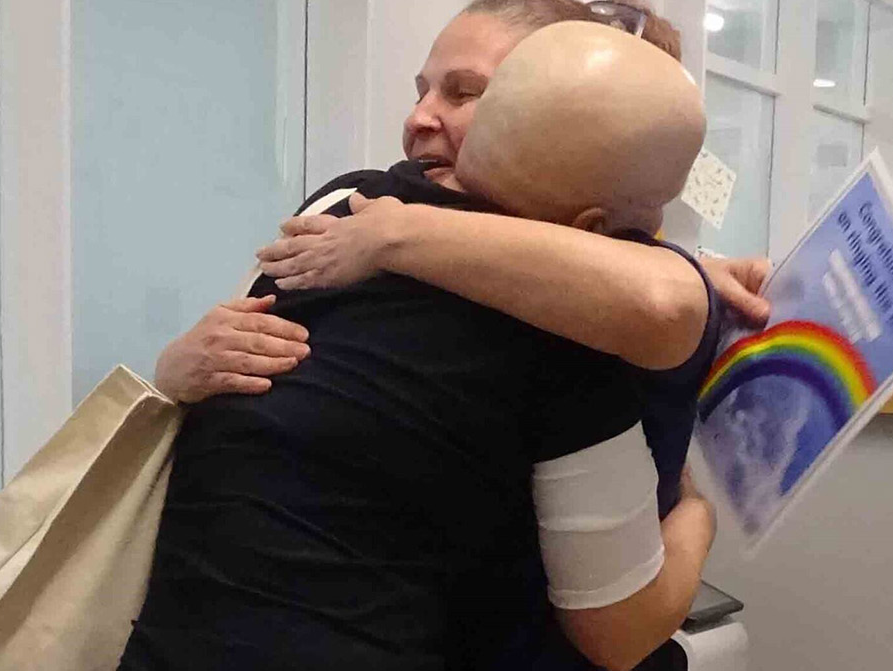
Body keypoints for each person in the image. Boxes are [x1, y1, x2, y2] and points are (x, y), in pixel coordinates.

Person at [118, 18, 716, 671]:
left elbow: (662, 295)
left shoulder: (347, 210)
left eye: (464, 94)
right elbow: (619, 634)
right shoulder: (569, 335)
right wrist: (699, 515)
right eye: (423, 89)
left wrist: (394, 234)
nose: (420, 117)